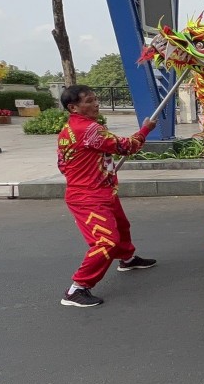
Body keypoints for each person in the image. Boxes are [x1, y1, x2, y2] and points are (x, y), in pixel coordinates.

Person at [57, 85, 158, 308]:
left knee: (121, 226)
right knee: (106, 241)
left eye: (95, 99)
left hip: (99, 190)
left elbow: (62, 164)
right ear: (73, 107)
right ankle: (77, 288)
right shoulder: (89, 129)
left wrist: (95, 170)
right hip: (88, 197)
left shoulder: (68, 131)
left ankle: (127, 259)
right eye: (89, 101)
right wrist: (146, 130)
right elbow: (126, 146)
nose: (96, 104)